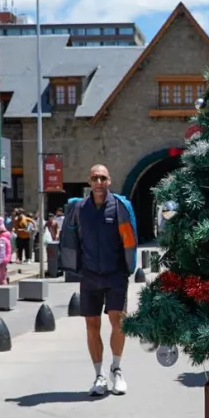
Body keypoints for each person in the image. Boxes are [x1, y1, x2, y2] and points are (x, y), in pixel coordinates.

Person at [70, 164, 137, 396]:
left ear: (109, 181)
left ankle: (116, 370)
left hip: (115, 274)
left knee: (118, 322)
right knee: (91, 326)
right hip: (89, 275)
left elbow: (129, 238)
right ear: (89, 181)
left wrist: (129, 268)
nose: (99, 182)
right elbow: (74, 238)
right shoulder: (79, 208)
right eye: (94, 178)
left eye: (103, 178)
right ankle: (99, 375)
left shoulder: (119, 207)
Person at [0, 219, 13, 285]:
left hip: (1, 261)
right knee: (3, 277)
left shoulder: (1, 239)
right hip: (3, 261)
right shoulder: (5, 238)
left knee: (2, 278)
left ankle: (4, 292)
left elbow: (2, 252)